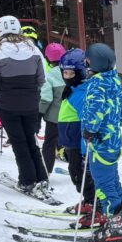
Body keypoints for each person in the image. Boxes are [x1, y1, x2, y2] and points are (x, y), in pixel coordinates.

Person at [0, 14, 47, 193]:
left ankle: (27, 180)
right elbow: (42, 79)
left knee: (19, 142)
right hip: (30, 102)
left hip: (7, 103)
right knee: (30, 139)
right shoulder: (33, 49)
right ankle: (41, 176)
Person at [81, 42, 122, 242]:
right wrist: (115, 124)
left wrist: (90, 130)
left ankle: (115, 226)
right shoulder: (114, 81)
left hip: (100, 144)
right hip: (113, 142)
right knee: (112, 181)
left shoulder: (96, 84)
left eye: (87, 61)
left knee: (104, 185)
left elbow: (95, 109)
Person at [56, 48, 98, 219]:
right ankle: (89, 200)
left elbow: (86, 121)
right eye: (64, 73)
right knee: (76, 175)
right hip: (71, 141)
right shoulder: (73, 89)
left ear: (80, 73)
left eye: (71, 73)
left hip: (78, 143)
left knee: (80, 175)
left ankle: (94, 203)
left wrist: (84, 149)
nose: (67, 77)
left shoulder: (80, 94)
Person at [39, 43, 67, 174]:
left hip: (54, 118)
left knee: (49, 143)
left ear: (47, 58)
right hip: (71, 116)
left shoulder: (49, 75)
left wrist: (40, 113)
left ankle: (46, 170)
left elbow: (46, 98)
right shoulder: (72, 72)